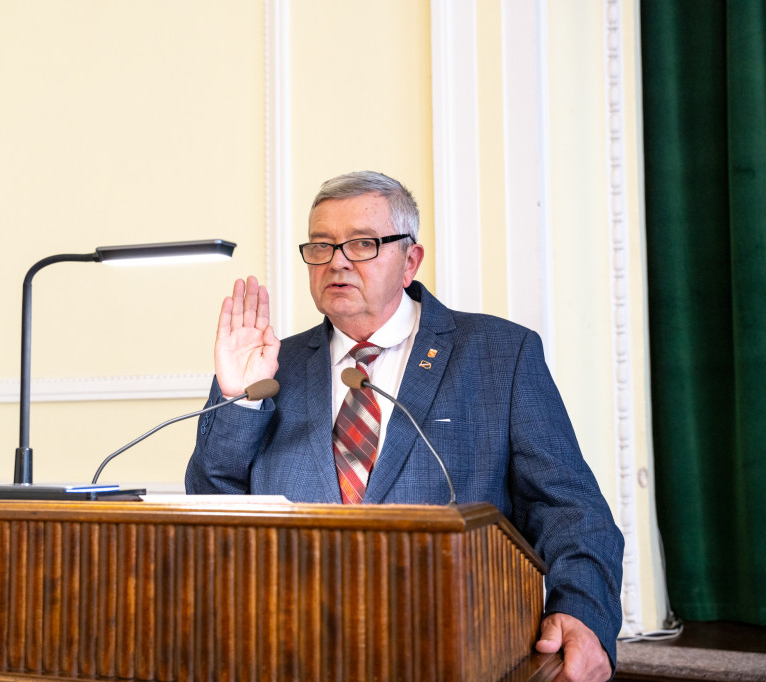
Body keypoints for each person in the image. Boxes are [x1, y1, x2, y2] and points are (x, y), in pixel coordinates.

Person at [185, 171, 624, 681]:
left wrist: (581, 612)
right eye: (322, 247)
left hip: (456, 652)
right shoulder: (271, 365)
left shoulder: (499, 354)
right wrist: (238, 398)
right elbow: (212, 506)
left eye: (363, 244)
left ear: (410, 260)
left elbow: (570, 508)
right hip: (293, 654)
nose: (338, 261)